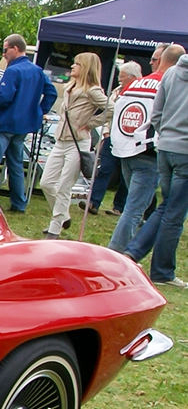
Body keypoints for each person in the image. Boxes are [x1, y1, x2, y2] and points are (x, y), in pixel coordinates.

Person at [124, 44, 188, 287]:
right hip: (184, 151)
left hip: (166, 146)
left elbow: (157, 113)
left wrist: (166, 133)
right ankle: (162, 272)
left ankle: (133, 252)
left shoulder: (171, 73)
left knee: (166, 206)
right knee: (174, 214)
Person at [108, 46, 177, 253]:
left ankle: (129, 246)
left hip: (125, 148)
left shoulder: (136, 83)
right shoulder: (169, 84)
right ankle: (117, 252)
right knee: (134, 210)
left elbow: (118, 111)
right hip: (148, 151)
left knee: (136, 205)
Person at [0, 34, 57, 213]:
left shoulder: (13, 70)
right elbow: (51, 93)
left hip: (4, 123)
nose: (3, 54)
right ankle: (19, 203)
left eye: (5, 50)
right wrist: (39, 111)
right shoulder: (37, 70)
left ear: (15, 48)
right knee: (15, 164)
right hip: (24, 125)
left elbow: (5, 97)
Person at [39, 52, 110, 239]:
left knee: (64, 185)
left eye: (76, 64)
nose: (72, 67)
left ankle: (54, 228)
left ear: (85, 67)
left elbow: (111, 108)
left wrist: (92, 123)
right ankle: (64, 215)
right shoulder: (70, 87)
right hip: (61, 140)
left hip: (78, 142)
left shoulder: (92, 91)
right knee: (46, 182)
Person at [89, 60, 140, 215]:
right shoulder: (117, 91)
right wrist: (105, 132)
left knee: (126, 175)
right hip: (112, 136)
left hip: (131, 139)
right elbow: (109, 114)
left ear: (132, 77)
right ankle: (93, 202)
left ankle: (119, 207)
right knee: (104, 168)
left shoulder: (140, 92)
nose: (119, 79)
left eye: (122, 76)